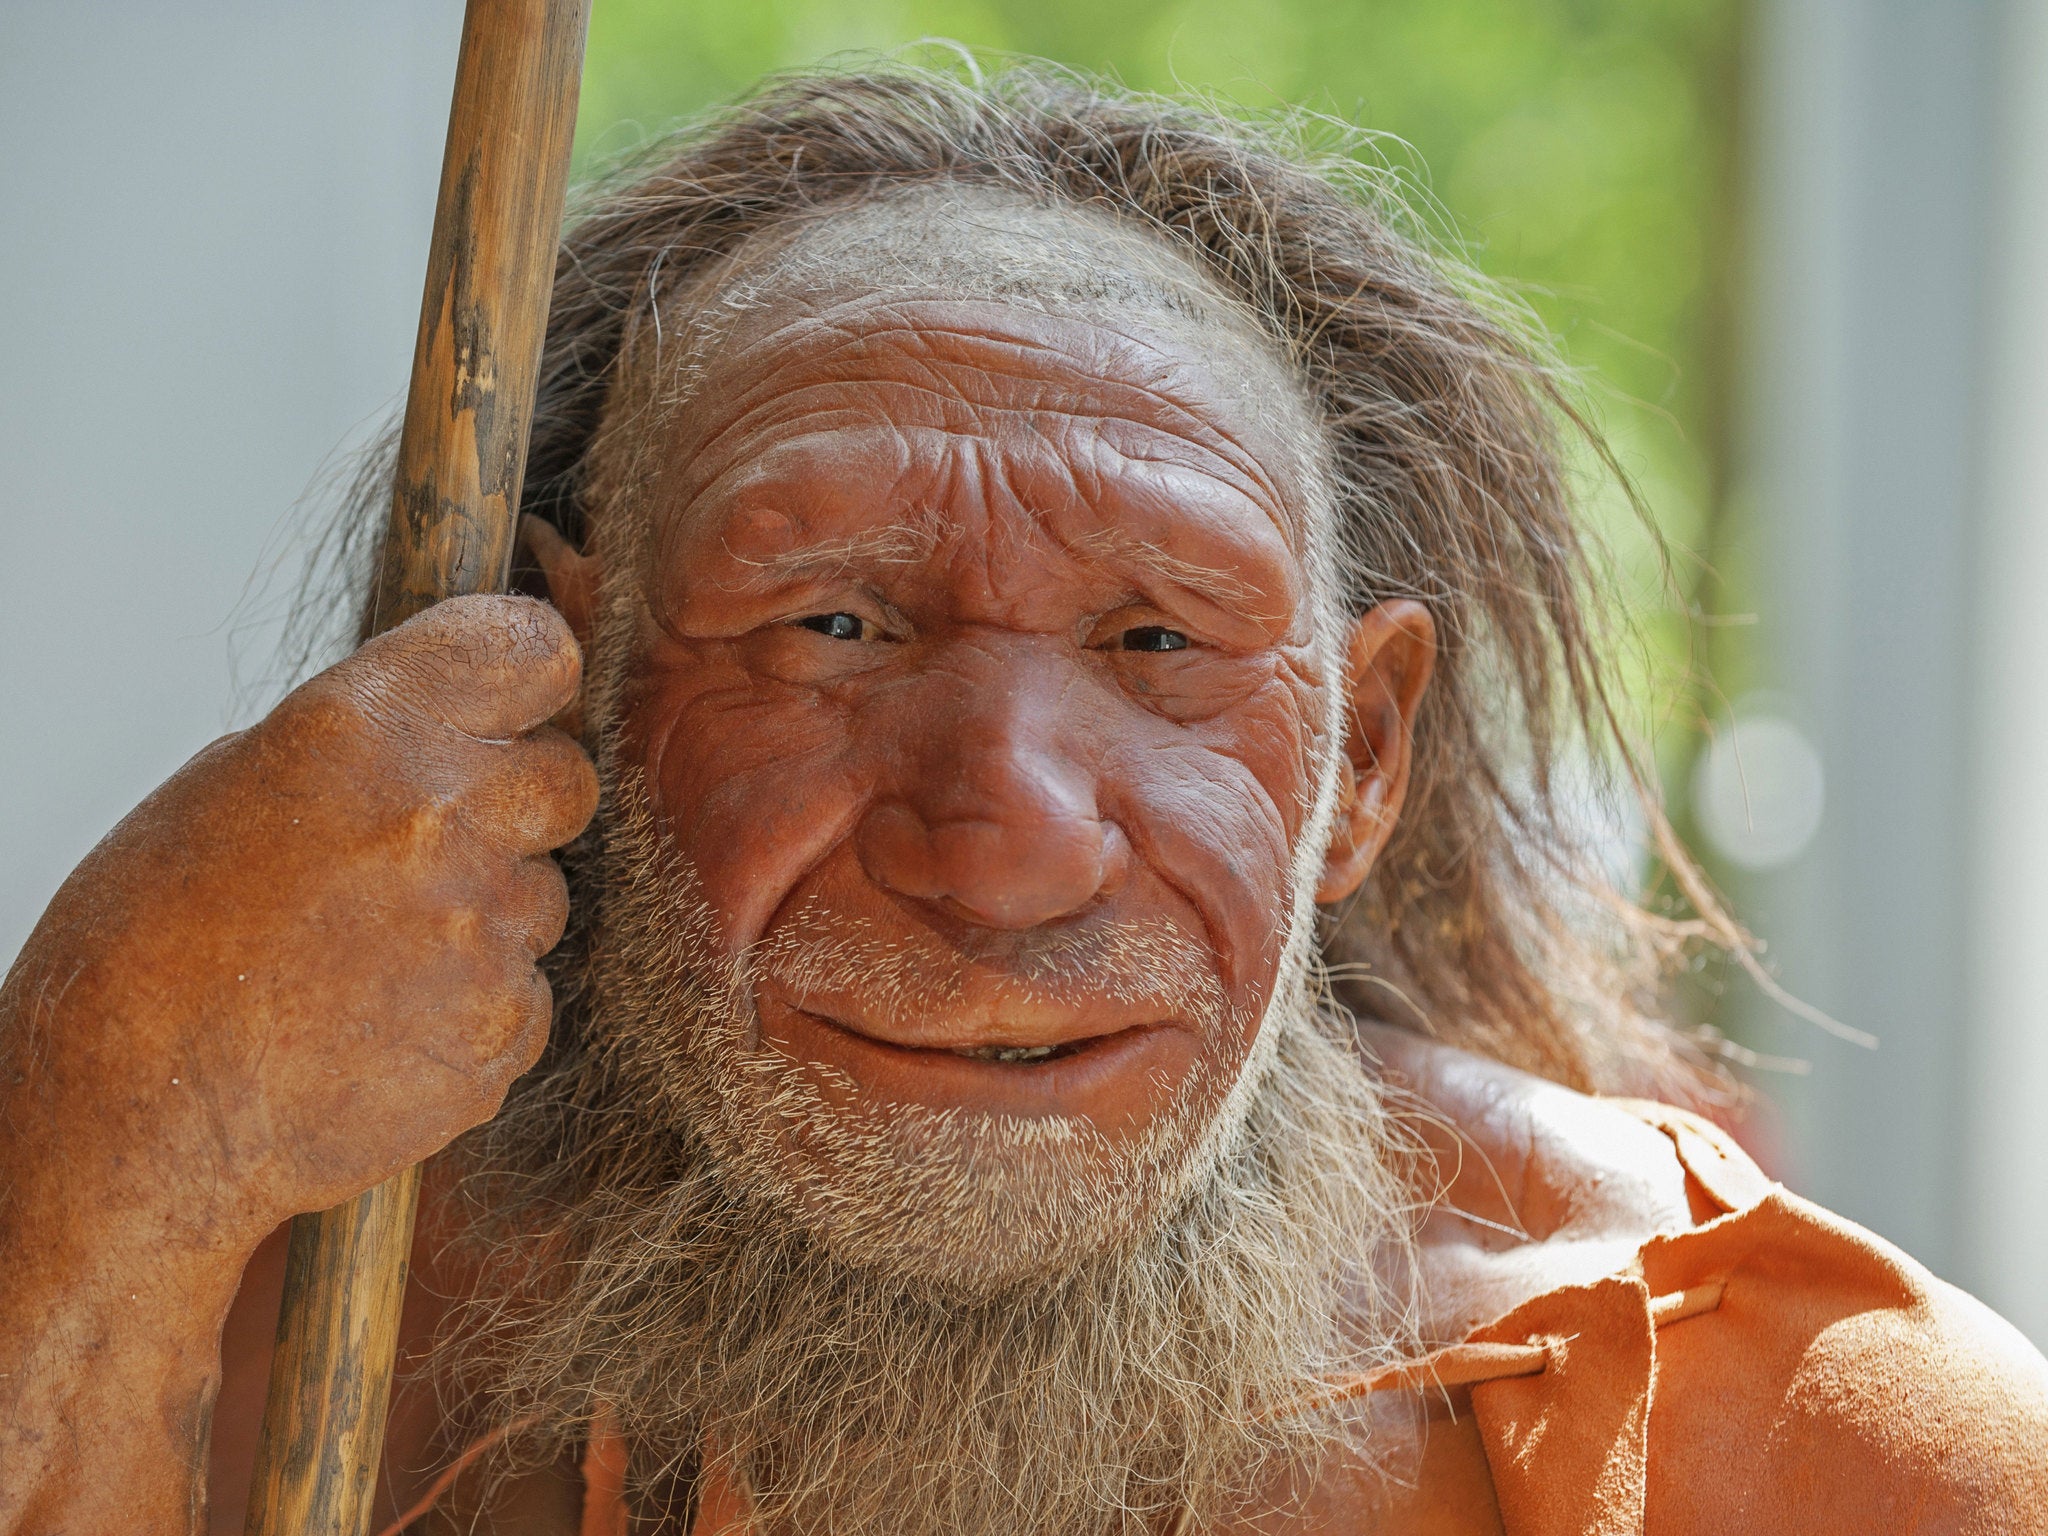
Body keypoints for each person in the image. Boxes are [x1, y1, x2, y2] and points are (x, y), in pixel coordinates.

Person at [3, 67, 2043, 1536]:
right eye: (829, 626)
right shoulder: (266, 1322)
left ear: (1359, 757)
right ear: (575, 695)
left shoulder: (1791, 1443)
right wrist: (106, 1119)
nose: (1000, 853)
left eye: (1160, 641)